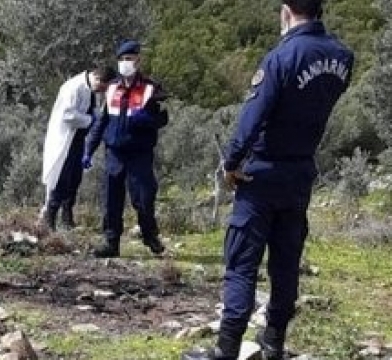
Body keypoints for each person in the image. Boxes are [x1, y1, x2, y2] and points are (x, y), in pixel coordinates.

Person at [182, 1, 354, 359]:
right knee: (286, 261)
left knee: (242, 261)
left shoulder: (282, 57)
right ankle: (274, 342)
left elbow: (252, 118)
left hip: (261, 171)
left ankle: (227, 349)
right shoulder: (342, 57)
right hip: (301, 170)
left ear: (286, 11)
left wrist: (231, 162)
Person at [83, 39, 169, 258]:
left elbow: (163, 118)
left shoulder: (151, 88)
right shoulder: (111, 88)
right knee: (111, 199)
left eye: (129, 59)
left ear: (138, 60)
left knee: (143, 198)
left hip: (139, 153)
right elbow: (101, 122)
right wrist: (88, 149)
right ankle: (111, 242)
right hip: (114, 152)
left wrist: (147, 119)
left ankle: (150, 235)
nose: (125, 63)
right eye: (121, 59)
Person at [41, 66, 117, 231]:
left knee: (75, 179)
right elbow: (67, 115)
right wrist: (91, 120)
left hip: (79, 139)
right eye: (103, 87)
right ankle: (50, 218)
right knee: (61, 178)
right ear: (98, 79)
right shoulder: (73, 87)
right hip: (65, 139)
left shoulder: (91, 90)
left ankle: (67, 218)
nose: (102, 91)